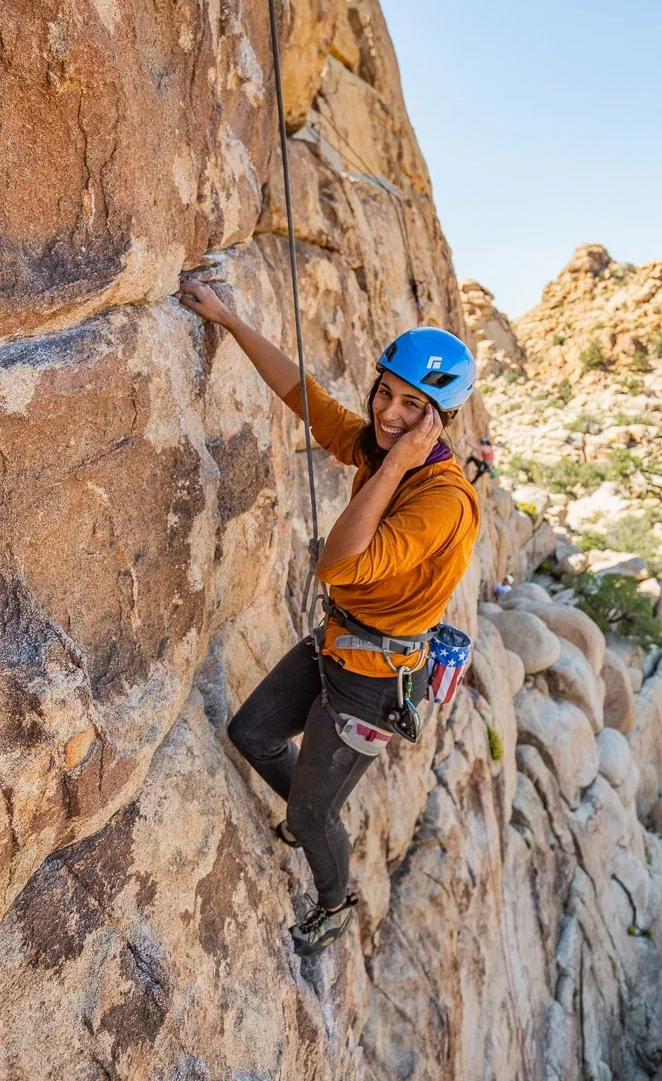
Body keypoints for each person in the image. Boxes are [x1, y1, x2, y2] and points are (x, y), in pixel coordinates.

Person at [177, 271, 480, 956]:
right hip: (339, 642)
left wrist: (396, 466)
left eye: (413, 405)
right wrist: (227, 318)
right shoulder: (378, 447)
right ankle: (309, 818)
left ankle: (334, 900)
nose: (388, 413)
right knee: (251, 733)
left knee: (314, 810)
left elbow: (338, 565)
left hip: (373, 683)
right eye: (385, 392)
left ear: (441, 419)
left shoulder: (442, 500)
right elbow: (306, 398)